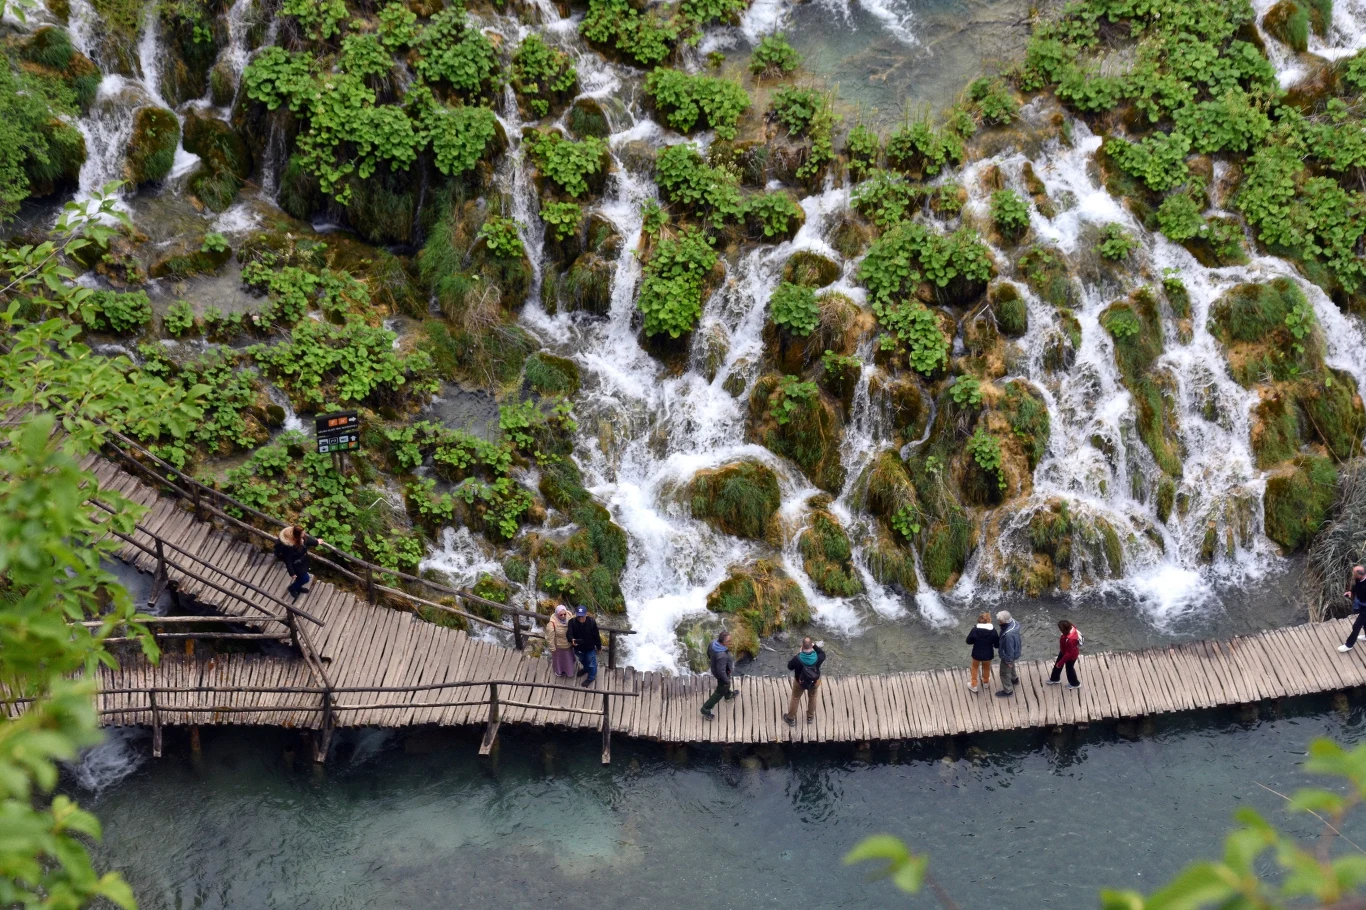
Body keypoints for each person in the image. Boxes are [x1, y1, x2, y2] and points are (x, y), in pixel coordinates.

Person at [783, 637, 825, 726]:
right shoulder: (818, 657)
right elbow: (823, 653)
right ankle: (810, 717)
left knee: (795, 698)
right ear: (812, 646)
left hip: (800, 682)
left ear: (802, 646)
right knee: (813, 697)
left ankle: (791, 718)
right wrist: (815, 647)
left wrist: (800, 652)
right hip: (814, 681)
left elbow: (789, 666)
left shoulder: (797, 659)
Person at [273, 524, 320, 600]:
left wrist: (317, 542)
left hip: (303, 560)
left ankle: (298, 586)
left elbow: (307, 541)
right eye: (302, 533)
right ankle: (292, 588)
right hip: (296, 564)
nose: (304, 534)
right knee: (305, 578)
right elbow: (288, 560)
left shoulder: (300, 538)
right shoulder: (290, 547)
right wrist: (292, 573)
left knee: (301, 577)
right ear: (297, 535)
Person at [700, 631, 737, 719]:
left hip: (716, 669)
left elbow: (708, 653)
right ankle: (705, 709)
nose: (731, 642)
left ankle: (728, 695)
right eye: (729, 641)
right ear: (724, 642)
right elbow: (721, 671)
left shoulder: (713, 643)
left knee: (725, 686)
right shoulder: (722, 656)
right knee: (719, 692)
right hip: (722, 675)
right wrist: (726, 680)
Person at [567, 605, 602, 687]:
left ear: (586, 614)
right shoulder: (572, 622)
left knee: (592, 664)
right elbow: (569, 634)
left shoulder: (592, 622)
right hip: (578, 648)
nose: (580, 618)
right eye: (578, 616)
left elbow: (596, 635)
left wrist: (599, 647)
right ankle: (586, 669)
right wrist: (571, 640)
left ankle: (591, 677)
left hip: (590, 648)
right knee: (582, 660)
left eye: (582, 616)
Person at [966, 611, 999, 693]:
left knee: (974, 667)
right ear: (989, 620)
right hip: (988, 655)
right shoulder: (993, 631)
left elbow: (968, 641)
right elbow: (997, 645)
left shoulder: (975, 630)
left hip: (976, 654)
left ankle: (973, 685)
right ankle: (986, 682)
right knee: (987, 667)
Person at [1338, 565, 1366, 652]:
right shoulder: (1359, 579)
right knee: (1365, 622)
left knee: (1356, 626)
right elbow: (1356, 586)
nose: (1353, 574)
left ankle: (1349, 645)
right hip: (1362, 603)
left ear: (1360, 575)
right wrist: (1351, 592)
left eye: (1354, 573)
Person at [1047, 619, 1081, 689]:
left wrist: (1060, 663)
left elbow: (1069, 654)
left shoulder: (1070, 640)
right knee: (1057, 665)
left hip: (1071, 656)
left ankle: (1075, 683)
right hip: (1064, 651)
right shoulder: (1072, 628)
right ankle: (1055, 678)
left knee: (1069, 669)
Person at [996, 610, 1022, 697]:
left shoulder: (1008, 635)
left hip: (1009, 654)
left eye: (1000, 621)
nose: (998, 622)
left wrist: (1008, 661)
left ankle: (1008, 690)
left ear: (1004, 621)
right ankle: (1014, 679)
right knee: (1011, 665)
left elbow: (1009, 649)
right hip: (1016, 649)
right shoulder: (1014, 623)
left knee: (1004, 672)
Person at [546, 605, 576, 678]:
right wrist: (552, 648)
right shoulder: (552, 624)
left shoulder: (569, 616)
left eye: (564, 614)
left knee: (568, 659)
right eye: (561, 614)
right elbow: (550, 637)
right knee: (558, 660)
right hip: (559, 646)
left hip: (568, 644)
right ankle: (559, 671)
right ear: (557, 614)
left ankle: (569, 672)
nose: (563, 616)